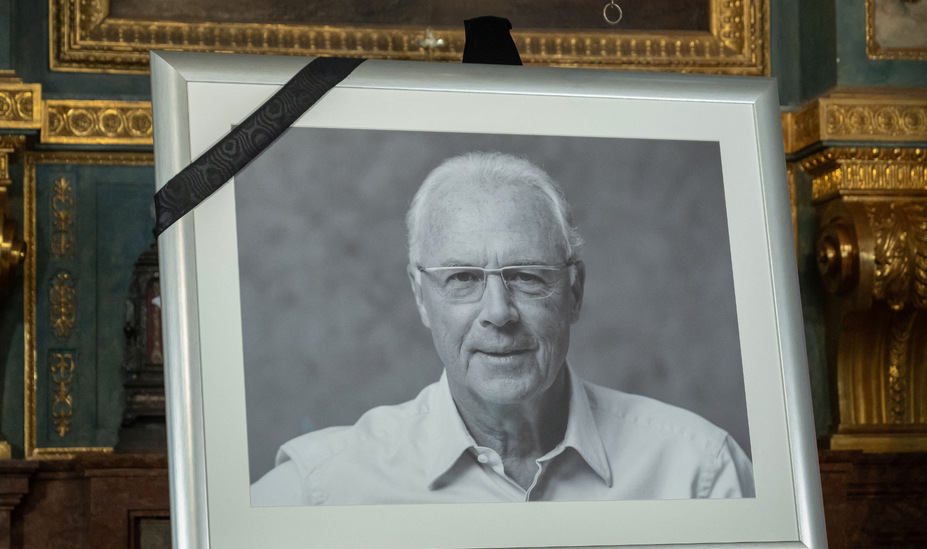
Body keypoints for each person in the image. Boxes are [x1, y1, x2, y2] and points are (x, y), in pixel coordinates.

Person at [251, 152, 754, 506]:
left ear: (574, 292)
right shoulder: (322, 486)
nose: (499, 312)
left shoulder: (699, 470)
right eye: (463, 278)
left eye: (527, 276)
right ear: (420, 296)